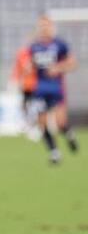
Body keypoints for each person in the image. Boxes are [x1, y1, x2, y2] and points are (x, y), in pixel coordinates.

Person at [26, 13, 78, 164]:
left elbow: (73, 63)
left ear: (51, 26)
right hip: (40, 89)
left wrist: (58, 67)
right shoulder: (34, 46)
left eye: (46, 25)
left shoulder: (60, 44)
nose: (44, 28)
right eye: (41, 25)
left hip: (55, 88)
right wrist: (29, 67)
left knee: (59, 121)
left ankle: (69, 135)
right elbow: (31, 63)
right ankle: (54, 153)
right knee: (42, 122)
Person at [9, 38, 39, 140]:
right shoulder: (21, 54)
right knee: (25, 105)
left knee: (35, 106)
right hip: (26, 85)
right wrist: (14, 80)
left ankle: (34, 127)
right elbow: (17, 68)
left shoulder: (37, 53)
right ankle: (27, 124)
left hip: (36, 85)